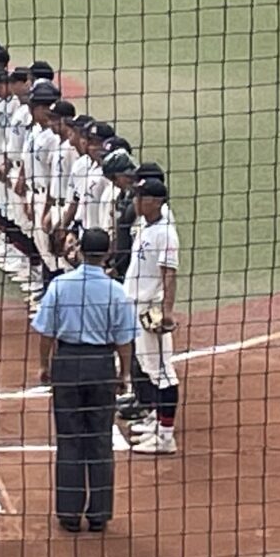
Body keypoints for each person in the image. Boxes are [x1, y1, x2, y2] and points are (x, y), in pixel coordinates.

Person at [30, 227, 137, 532]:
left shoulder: (61, 286)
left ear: (79, 252)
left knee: (70, 441)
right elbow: (124, 340)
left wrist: (44, 366)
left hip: (68, 363)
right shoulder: (116, 291)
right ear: (106, 254)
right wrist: (123, 373)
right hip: (101, 365)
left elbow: (46, 332)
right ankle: (99, 515)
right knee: (100, 440)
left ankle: (69, 514)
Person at [123, 177, 182, 454]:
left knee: (163, 373)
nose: (136, 200)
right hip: (137, 305)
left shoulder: (165, 233)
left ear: (156, 202)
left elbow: (169, 274)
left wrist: (167, 312)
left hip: (151, 308)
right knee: (149, 368)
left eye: (141, 196)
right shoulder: (148, 225)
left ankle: (165, 437)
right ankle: (157, 423)